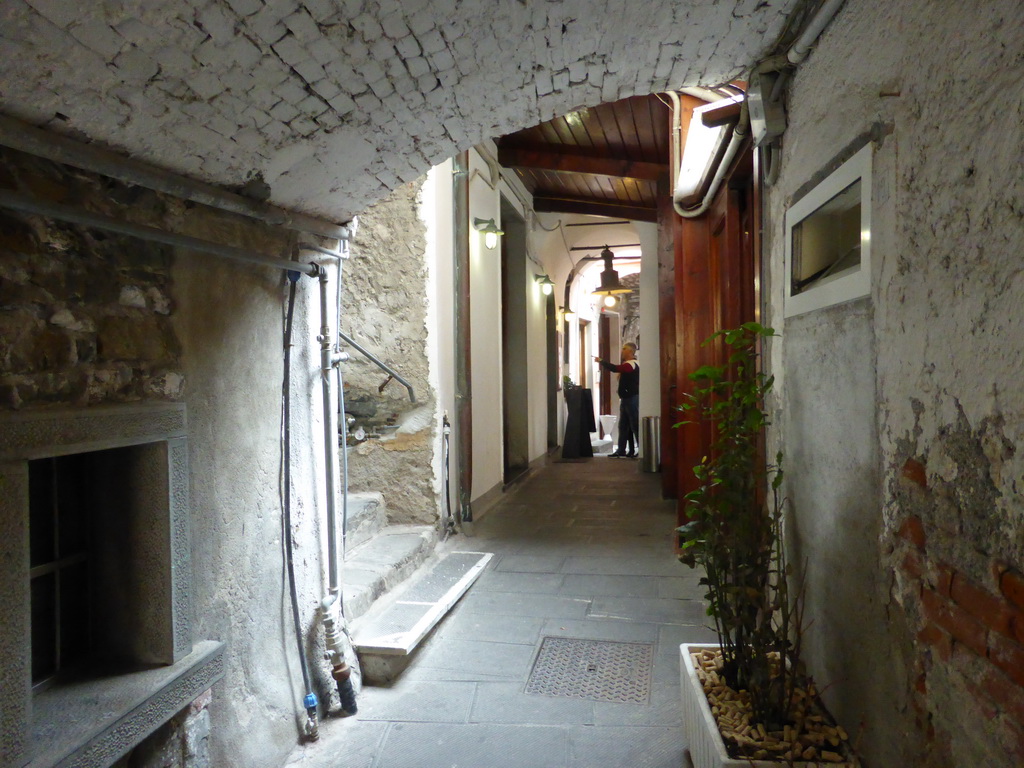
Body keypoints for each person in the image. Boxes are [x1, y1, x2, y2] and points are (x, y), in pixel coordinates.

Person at [595, 342, 639, 458]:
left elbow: (615, 368)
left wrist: (601, 361)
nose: (622, 351)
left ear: (630, 352)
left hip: (631, 399)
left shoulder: (631, 364)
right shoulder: (630, 364)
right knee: (624, 425)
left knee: (634, 425)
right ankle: (622, 450)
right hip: (626, 399)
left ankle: (640, 449)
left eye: (624, 349)